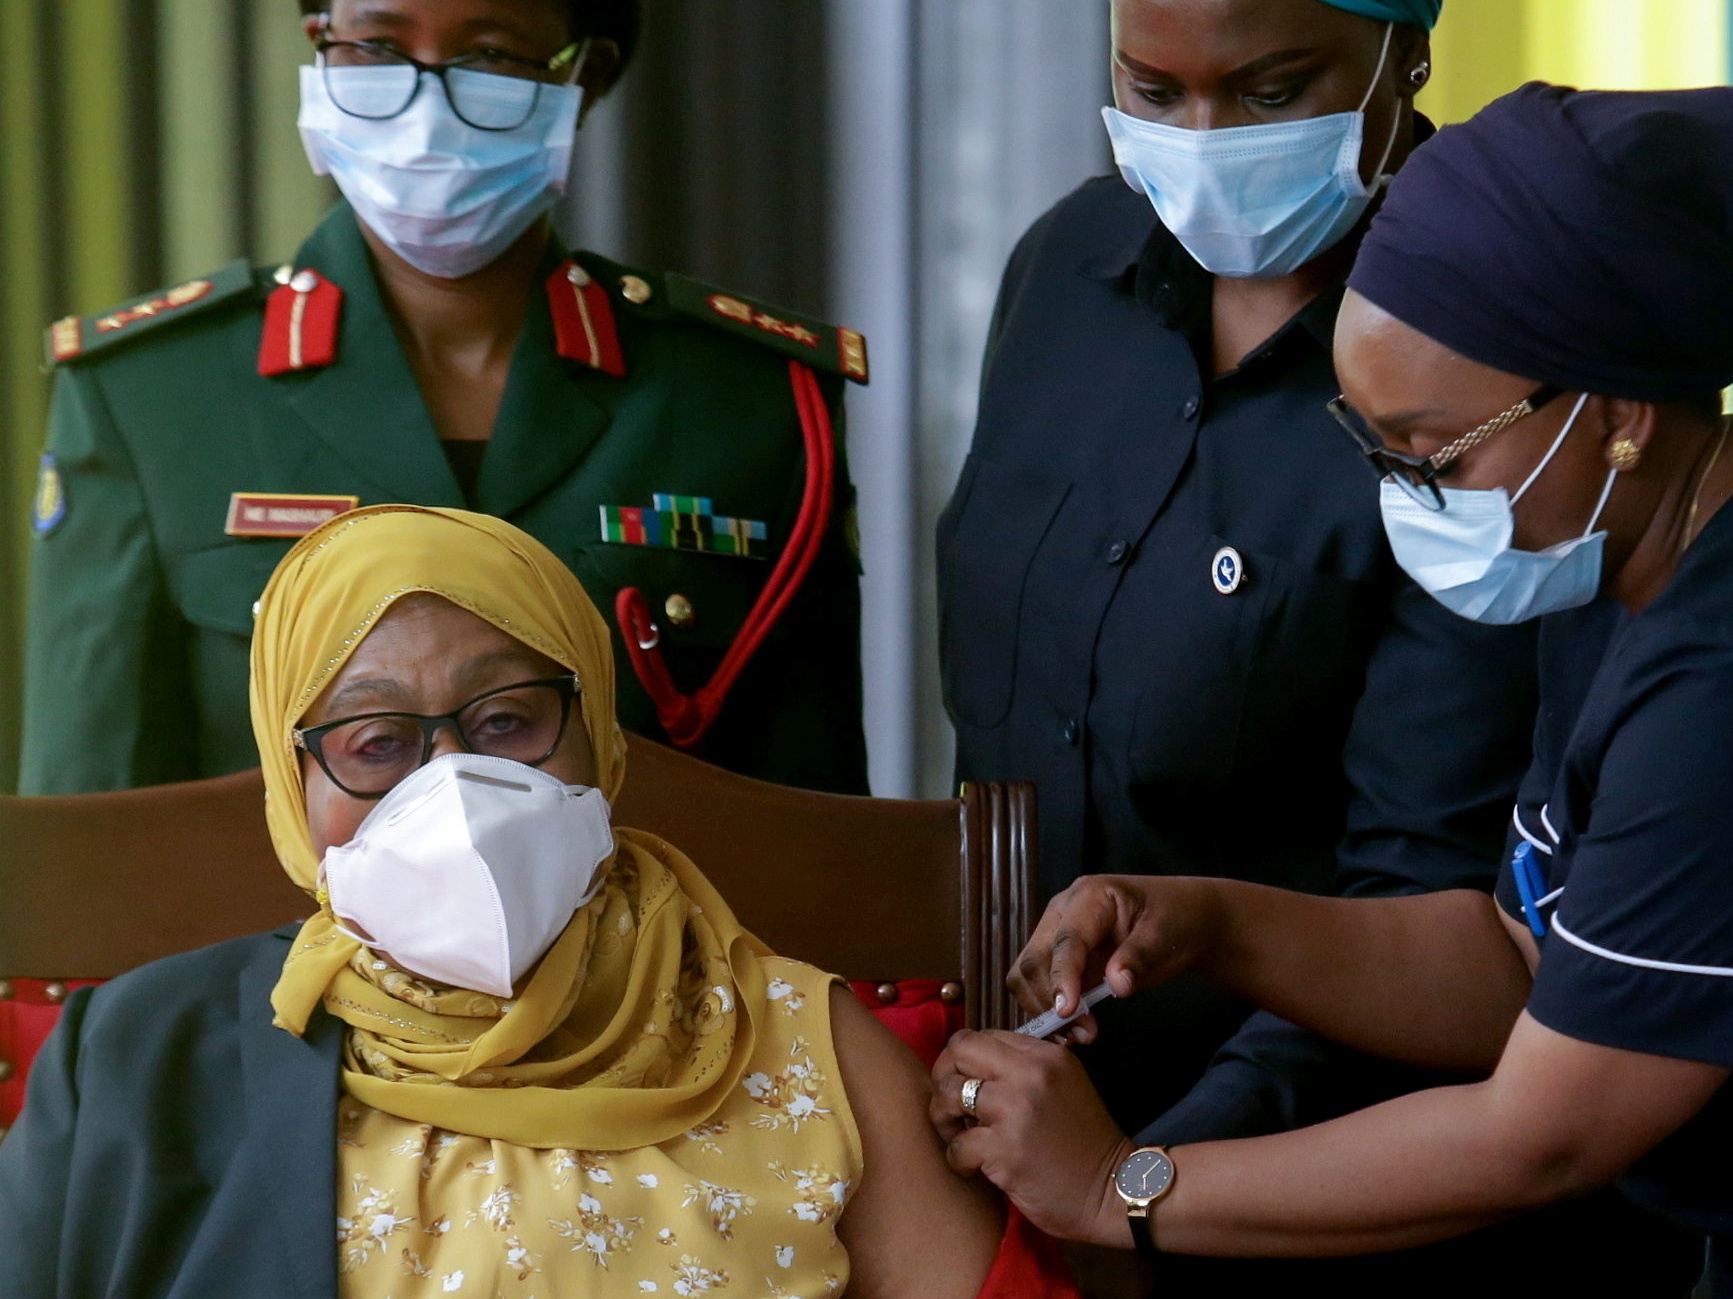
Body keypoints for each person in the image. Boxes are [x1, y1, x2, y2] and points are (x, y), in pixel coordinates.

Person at [938, 0, 1693, 1290]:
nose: (1203, 140)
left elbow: (1519, 1072)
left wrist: (1124, 1192)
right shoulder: (1068, 268)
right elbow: (1497, 956)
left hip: (1336, 1197)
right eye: (1150, 90)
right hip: (1050, 1147)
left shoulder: (1518, 428)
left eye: (1269, 89)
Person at [0, 504, 1011, 1297]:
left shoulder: (796, 1040)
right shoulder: (137, 1054)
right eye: (376, 745)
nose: (453, 787)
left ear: (600, 740)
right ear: (289, 790)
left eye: (506, 719)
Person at [21, 0, 868, 798]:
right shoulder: (150, 394)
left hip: (656, 951)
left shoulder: (743, 394)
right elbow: (91, 835)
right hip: (263, 956)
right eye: (377, 48)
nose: (425, 108)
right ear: (320, 46)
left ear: (585, 78)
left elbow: (813, 832)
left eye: (491, 54)